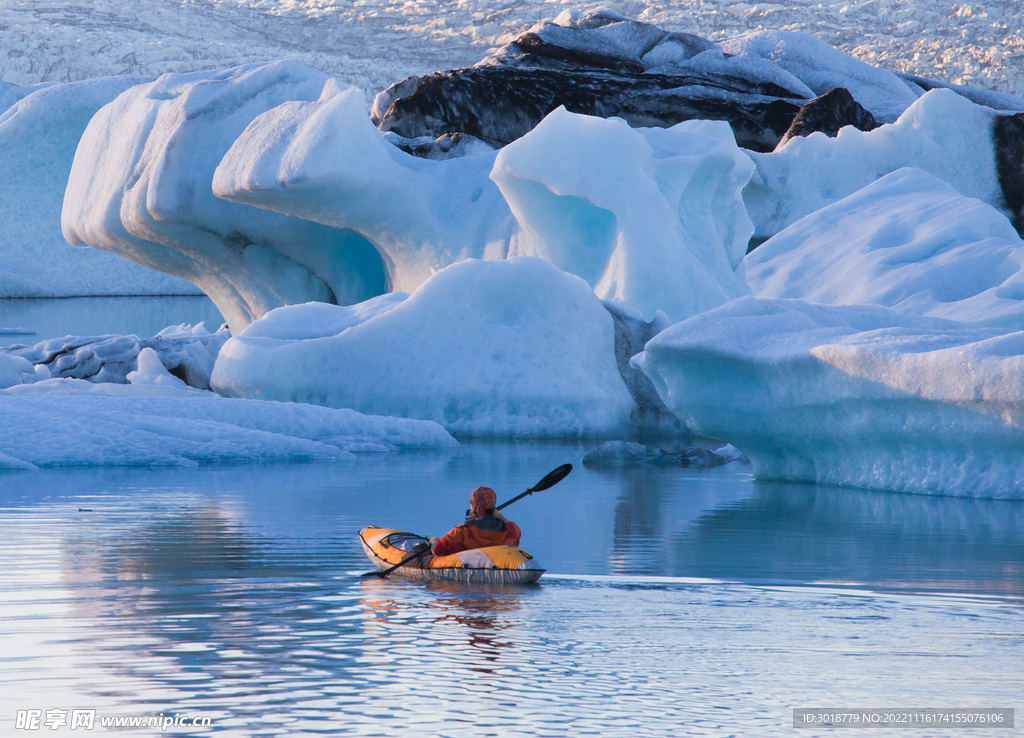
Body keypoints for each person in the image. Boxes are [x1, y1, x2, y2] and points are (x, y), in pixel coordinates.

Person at [431, 486, 522, 556]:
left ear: (475, 506)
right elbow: (512, 527)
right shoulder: (510, 530)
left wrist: (434, 541)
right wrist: (499, 516)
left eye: (471, 503)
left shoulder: (463, 531)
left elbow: (437, 549)